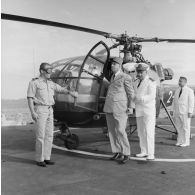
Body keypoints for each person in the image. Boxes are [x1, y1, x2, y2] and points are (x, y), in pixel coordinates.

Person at [27, 62, 78, 167]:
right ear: (42, 71)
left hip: (50, 110)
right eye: (48, 71)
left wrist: (70, 92)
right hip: (40, 110)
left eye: (51, 70)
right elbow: (30, 98)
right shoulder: (34, 83)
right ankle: (39, 159)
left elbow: (60, 89)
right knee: (40, 136)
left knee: (49, 135)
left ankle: (46, 158)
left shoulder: (50, 83)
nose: (50, 73)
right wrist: (32, 112)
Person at [103, 57, 134, 164]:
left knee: (120, 130)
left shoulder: (125, 77)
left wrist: (131, 106)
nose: (111, 66)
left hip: (120, 108)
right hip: (110, 107)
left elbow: (131, 93)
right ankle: (117, 151)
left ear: (119, 65)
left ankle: (126, 152)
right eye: (111, 64)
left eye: (114, 64)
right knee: (112, 131)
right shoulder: (112, 77)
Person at [134, 63, 156, 160]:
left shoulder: (151, 82)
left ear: (146, 72)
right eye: (138, 72)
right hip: (139, 110)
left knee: (149, 132)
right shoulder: (135, 82)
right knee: (141, 132)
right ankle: (143, 151)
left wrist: (140, 98)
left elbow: (152, 96)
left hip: (148, 110)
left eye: (141, 72)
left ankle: (151, 153)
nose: (139, 74)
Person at [172, 76, 194, 147]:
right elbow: (174, 101)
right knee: (179, 127)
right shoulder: (177, 90)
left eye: (181, 81)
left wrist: (190, 111)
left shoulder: (189, 90)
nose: (179, 82)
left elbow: (191, 102)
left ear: (185, 82)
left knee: (186, 127)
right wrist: (172, 110)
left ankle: (186, 142)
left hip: (185, 112)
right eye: (179, 81)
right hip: (177, 111)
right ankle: (180, 141)